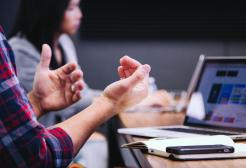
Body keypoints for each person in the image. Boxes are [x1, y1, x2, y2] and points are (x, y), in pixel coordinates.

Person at [9, 0, 171, 166]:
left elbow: (81, 94)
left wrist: (125, 98)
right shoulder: (20, 51)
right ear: (48, 10)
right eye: (71, 8)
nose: (80, 15)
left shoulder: (64, 43)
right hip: (43, 146)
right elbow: (76, 103)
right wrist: (126, 101)